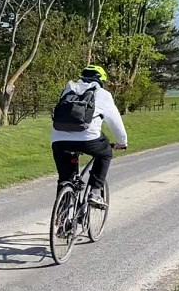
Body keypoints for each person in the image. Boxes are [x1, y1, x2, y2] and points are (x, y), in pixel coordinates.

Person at [51, 64, 128, 208]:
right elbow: (115, 121)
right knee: (105, 153)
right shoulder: (103, 94)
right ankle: (95, 191)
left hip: (59, 139)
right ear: (101, 80)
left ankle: (61, 221)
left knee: (65, 179)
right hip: (88, 139)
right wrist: (122, 142)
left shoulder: (68, 90)